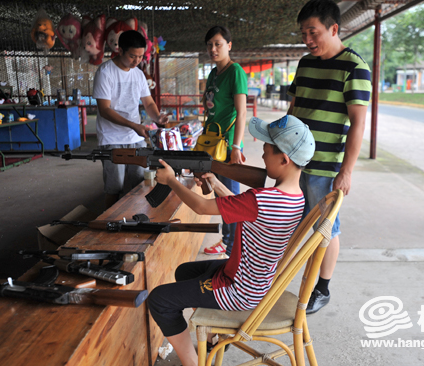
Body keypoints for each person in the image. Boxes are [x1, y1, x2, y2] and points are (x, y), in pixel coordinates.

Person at [148, 115, 315, 366]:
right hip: (256, 280)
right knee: (186, 271)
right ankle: (214, 339)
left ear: (284, 159)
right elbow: (244, 209)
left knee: (159, 300)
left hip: (240, 290)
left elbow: (202, 207)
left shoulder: (261, 199)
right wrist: (215, 182)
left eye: (266, 151)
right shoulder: (292, 197)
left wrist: (171, 180)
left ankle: (193, 363)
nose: (262, 155)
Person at [287, 0, 371, 314]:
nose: (308, 40)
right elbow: (293, 110)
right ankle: (283, 278)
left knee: (326, 226)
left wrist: (346, 171)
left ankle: (322, 288)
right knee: (294, 219)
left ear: (334, 28)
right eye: (304, 33)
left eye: (314, 32)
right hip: (294, 161)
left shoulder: (355, 67)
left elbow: (358, 123)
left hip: (326, 164)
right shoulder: (306, 64)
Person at [93, 30, 169, 209]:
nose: (137, 61)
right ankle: (108, 226)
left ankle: (137, 217)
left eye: (141, 56)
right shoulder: (105, 72)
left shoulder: (138, 74)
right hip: (112, 139)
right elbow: (104, 110)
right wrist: (133, 125)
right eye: (132, 56)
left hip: (136, 138)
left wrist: (158, 116)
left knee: (141, 182)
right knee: (114, 187)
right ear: (120, 51)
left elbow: (148, 102)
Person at [200, 25, 248, 257]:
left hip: (227, 145)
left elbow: (242, 112)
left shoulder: (235, 71)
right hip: (211, 143)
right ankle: (228, 241)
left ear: (229, 45)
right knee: (220, 194)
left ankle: (234, 247)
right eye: (209, 45)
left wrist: (236, 146)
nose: (213, 49)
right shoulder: (212, 74)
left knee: (231, 197)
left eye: (218, 44)